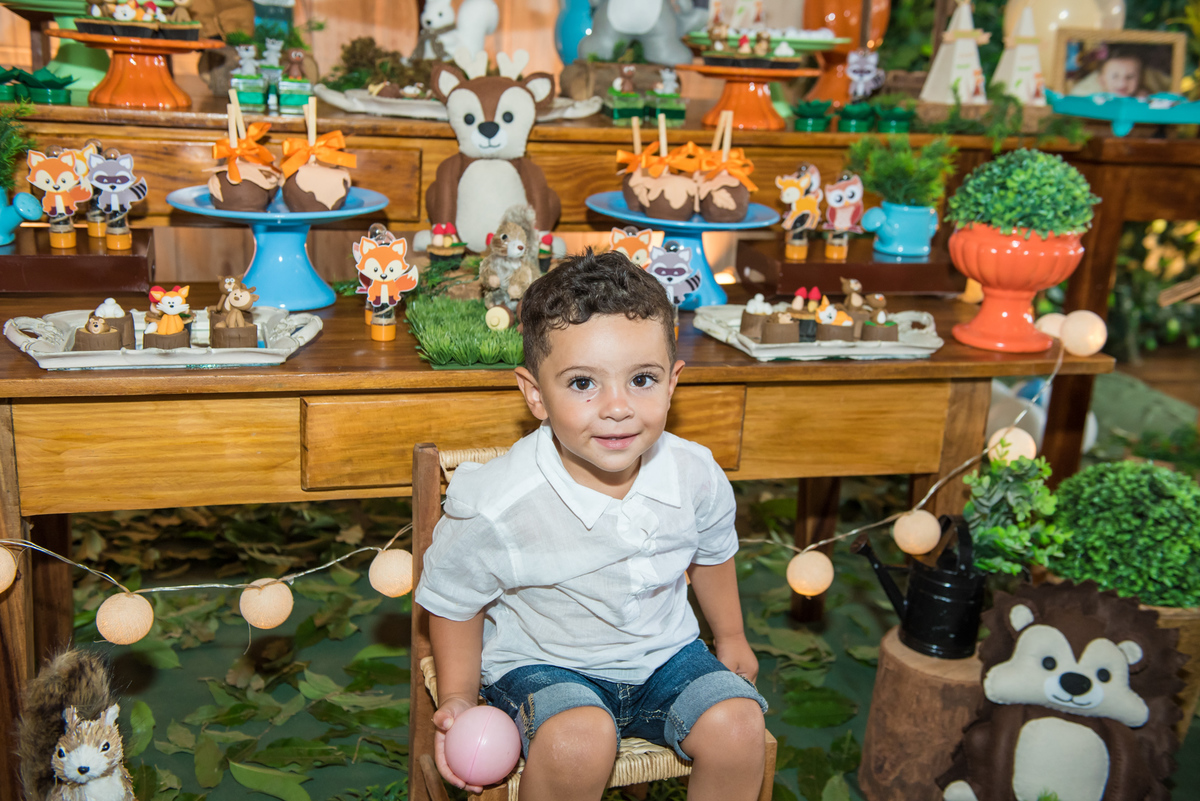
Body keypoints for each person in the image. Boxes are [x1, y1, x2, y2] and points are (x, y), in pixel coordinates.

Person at [416, 250, 768, 801]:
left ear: (673, 383)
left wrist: (730, 636)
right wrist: (459, 695)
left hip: (666, 657)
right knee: (581, 739)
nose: (618, 407)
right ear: (535, 394)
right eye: (583, 384)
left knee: (739, 725)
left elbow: (711, 551)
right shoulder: (500, 502)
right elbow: (453, 598)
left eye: (642, 379)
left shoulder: (694, 473)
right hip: (543, 665)